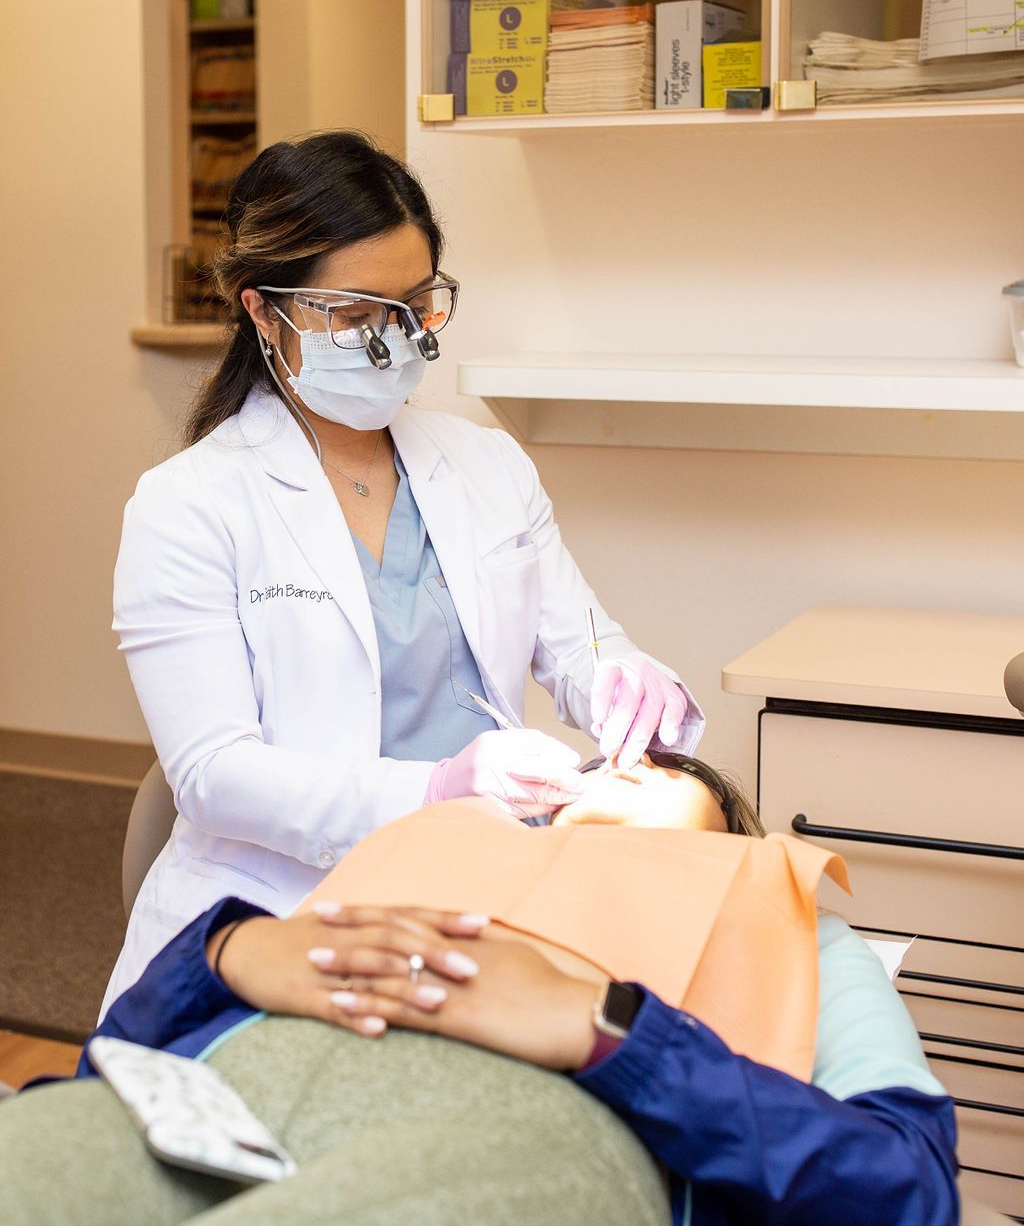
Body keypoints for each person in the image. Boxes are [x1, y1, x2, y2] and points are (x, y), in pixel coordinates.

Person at [102, 131, 704, 1015]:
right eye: (355, 314)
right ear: (264, 312)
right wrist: (430, 789)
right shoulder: (189, 504)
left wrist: (624, 681)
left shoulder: (490, 468)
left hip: (483, 887)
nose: (396, 337)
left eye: (417, 303)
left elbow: (582, 646)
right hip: (285, 913)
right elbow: (213, 772)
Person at [0, 757, 958, 1225]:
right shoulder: (432, 851)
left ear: (732, 832)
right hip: (222, 1097)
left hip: (525, 1129)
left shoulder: (789, 920)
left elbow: (909, 1187)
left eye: (659, 766)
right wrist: (227, 956)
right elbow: (106, 1062)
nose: (614, 763)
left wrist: (609, 1032)